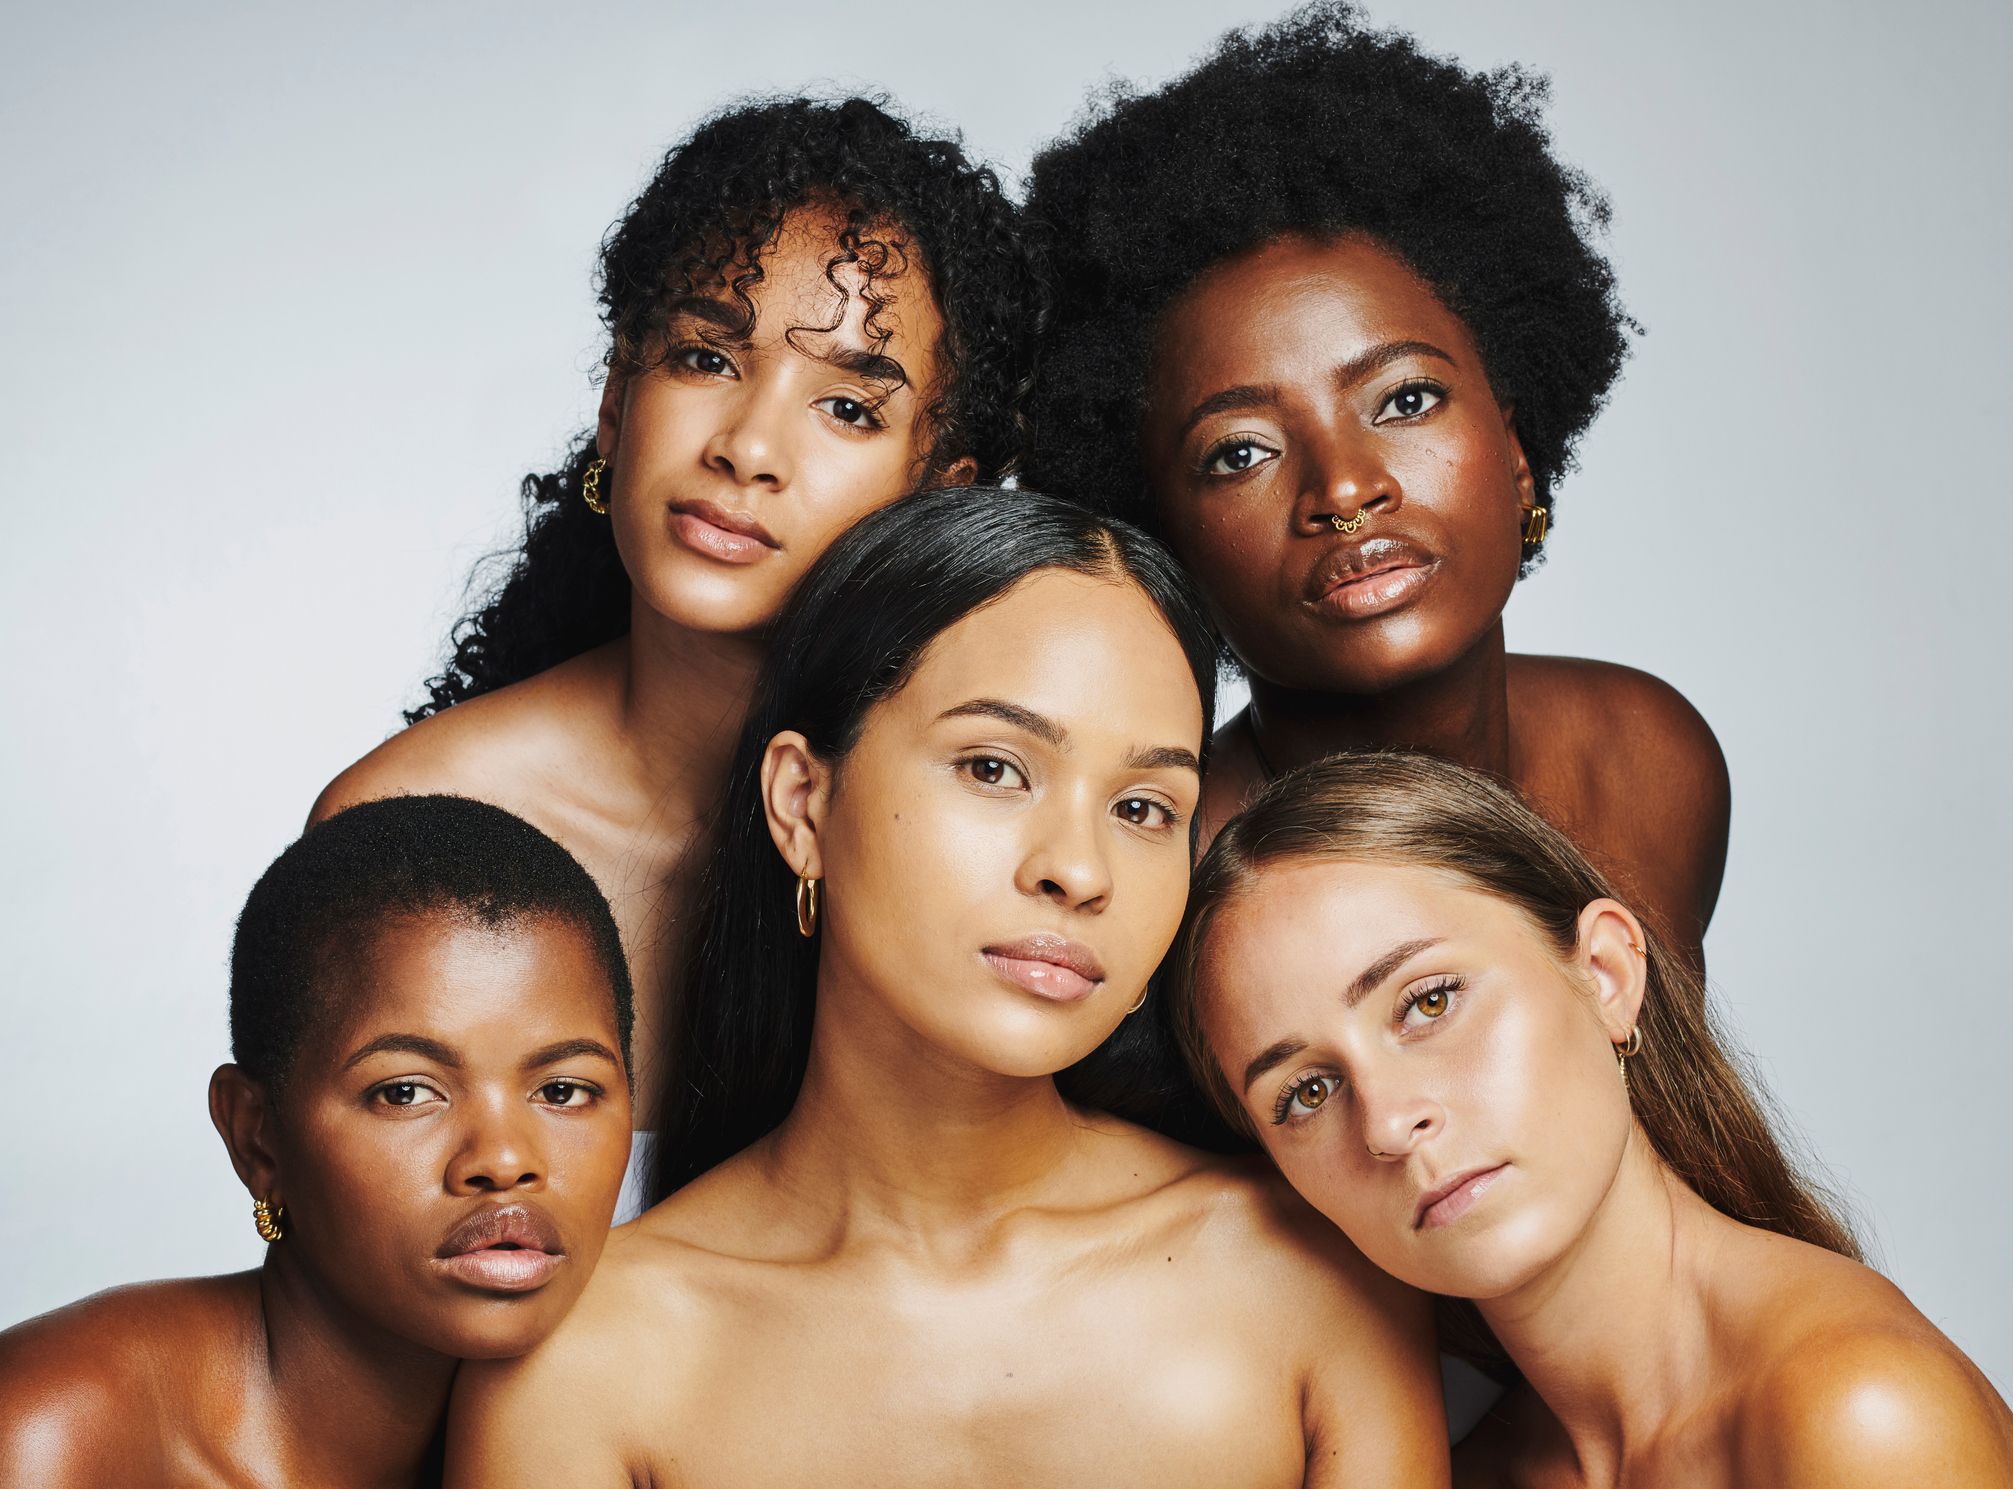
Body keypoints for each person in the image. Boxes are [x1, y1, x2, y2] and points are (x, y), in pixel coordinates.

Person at [447, 488, 1447, 1486]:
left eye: (1144, 806)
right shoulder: (585, 1361)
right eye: (994, 767)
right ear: (803, 802)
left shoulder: (1313, 1275)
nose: (1080, 870)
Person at [313, 97, 1048, 1153]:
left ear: (935, 494)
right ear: (617, 401)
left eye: (848, 407)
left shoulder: (994, 833)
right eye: (708, 359)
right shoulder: (410, 827)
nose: (749, 447)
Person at [1024, 3, 1728, 971]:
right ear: (1167, 538)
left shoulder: (1643, 760)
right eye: (1240, 452)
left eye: (1404, 398)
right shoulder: (1160, 889)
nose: (1345, 489)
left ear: (1516, 445)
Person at [1170, 751, 2013, 1486]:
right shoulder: (1470, 1468)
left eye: (1428, 1001)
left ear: (1605, 974)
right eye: (1305, 1092)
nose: (1388, 1124)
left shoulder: (1860, 1412)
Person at [0, 796, 635, 1488]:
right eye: (404, 1091)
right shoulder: (50, 1436)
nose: (506, 1160)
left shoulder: (649, 1418)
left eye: (563, 1090)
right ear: (256, 1138)